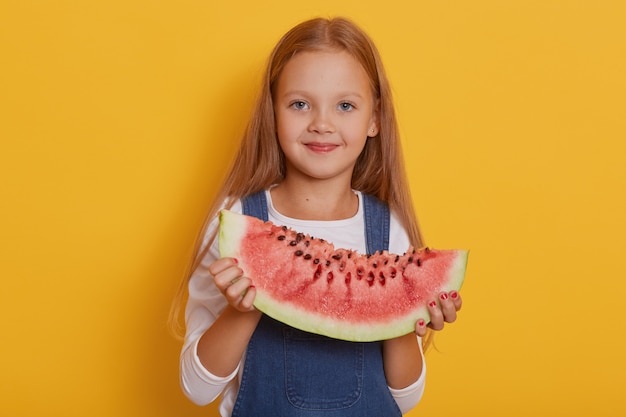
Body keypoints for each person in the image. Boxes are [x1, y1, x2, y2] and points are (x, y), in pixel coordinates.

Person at [169, 16, 463, 416]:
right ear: (272, 113)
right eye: (300, 104)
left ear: (374, 118)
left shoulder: (387, 229)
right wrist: (246, 308)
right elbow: (197, 389)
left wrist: (404, 313)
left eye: (345, 105)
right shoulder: (235, 220)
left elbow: (405, 399)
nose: (322, 123)